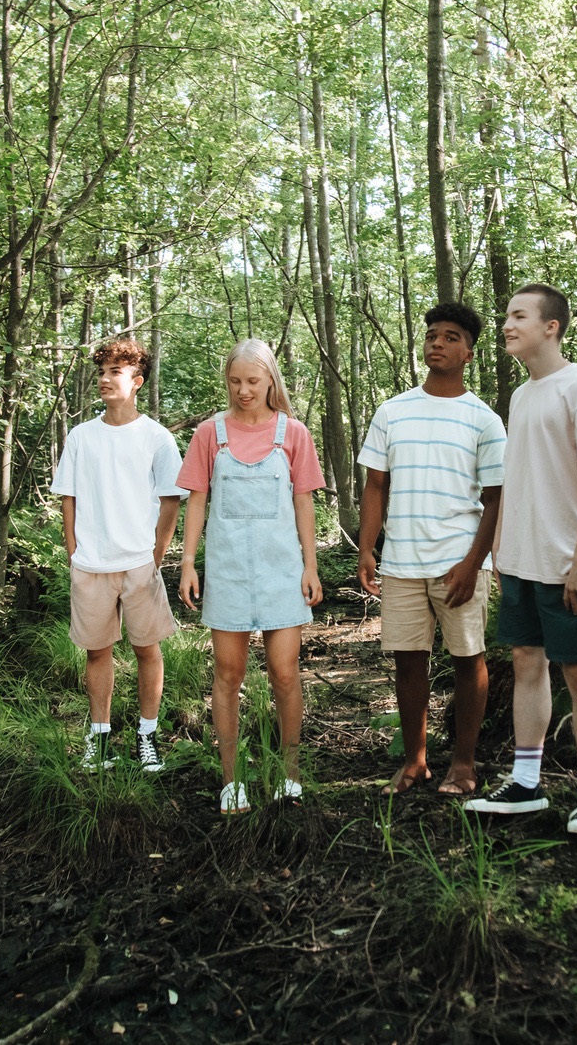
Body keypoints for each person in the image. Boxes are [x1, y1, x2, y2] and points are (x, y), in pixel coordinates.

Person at [464, 284, 577, 842]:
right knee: (528, 663)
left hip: (569, 565)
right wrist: (503, 548)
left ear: (551, 327)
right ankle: (526, 783)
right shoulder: (523, 395)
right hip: (523, 561)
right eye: (507, 315)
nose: (506, 324)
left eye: (518, 316)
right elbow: (517, 481)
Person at [357, 302, 506, 796]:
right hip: (401, 561)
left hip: (458, 563)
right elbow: (375, 485)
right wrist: (367, 548)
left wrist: (473, 563)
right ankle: (415, 762)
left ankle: (463, 765)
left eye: (450, 337)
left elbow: (494, 498)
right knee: (408, 661)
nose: (437, 343)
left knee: (468, 658)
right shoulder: (393, 411)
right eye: (432, 335)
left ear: (469, 351)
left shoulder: (483, 420)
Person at [177, 339, 326, 814]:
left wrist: (310, 565)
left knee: (285, 673)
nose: (243, 390)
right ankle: (231, 780)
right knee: (228, 674)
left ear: (270, 382)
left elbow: (304, 501)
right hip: (228, 571)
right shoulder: (209, 433)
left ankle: (290, 774)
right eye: (235, 381)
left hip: (282, 569)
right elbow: (196, 499)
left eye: (253, 382)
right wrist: (187, 563)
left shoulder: (293, 433)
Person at [49, 338, 186, 773]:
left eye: (116, 372)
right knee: (97, 652)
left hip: (139, 564)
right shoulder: (81, 436)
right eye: (102, 372)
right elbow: (67, 496)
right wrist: (74, 551)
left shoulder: (157, 438)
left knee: (147, 649)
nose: (106, 380)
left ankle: (147, 737)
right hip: (91, 564)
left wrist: (158, 552)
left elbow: (171, 499)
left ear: (137, 381)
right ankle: (100, 740)